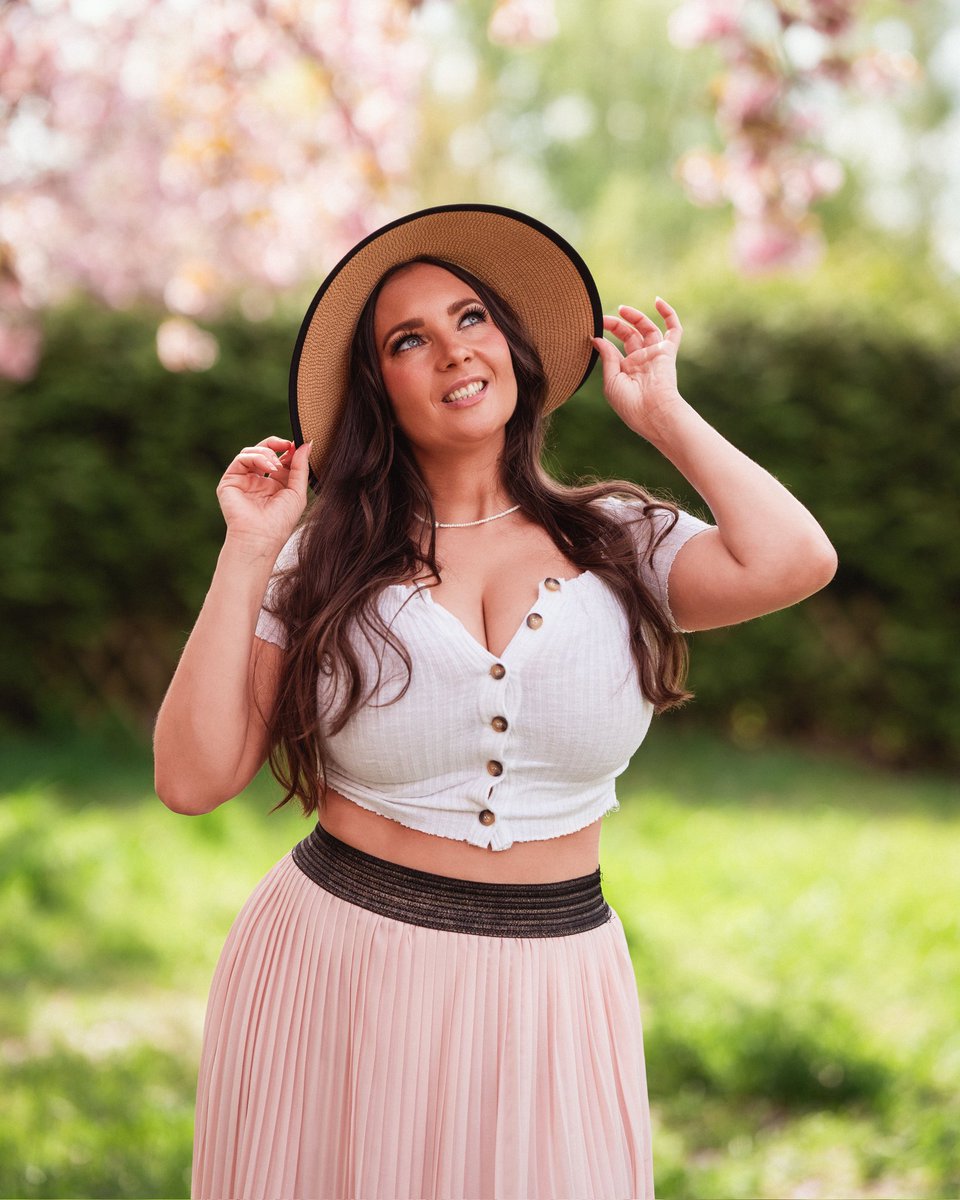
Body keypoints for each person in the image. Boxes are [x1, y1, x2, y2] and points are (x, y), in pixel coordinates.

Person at [153, 204, 837, 1200]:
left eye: (470, 318)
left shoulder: (621, 539)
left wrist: (662, 416)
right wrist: (251, 549)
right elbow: (190, 776)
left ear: (511, 346)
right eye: (408, 339)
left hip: (556, 987)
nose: (452, 352)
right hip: (342, 972)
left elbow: (797, 560)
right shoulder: (323, 556)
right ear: (378, 387)